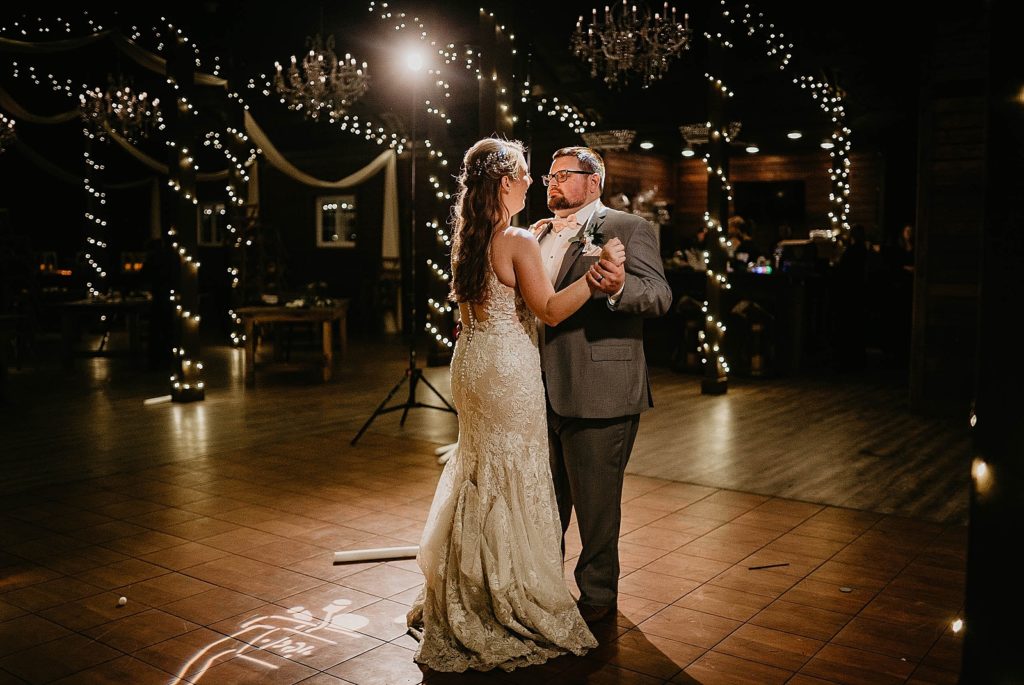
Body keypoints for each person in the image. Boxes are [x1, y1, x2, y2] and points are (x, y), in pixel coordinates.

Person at [408, 138, 624, 672]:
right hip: (508, 369)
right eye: (526, 173)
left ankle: (467, 584)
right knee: (514, 472)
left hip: (470, 363)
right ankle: (509, 590)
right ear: (506, 182)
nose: (534, 182)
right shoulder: (518, 239)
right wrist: (595, 278)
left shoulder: (471, 236)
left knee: (479, 467)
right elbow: (548, 309)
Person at [532, 147, 673, 624]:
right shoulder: (536, 233)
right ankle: (543, 589)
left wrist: (618, 289)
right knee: (542, 502)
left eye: (564, 174)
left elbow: (659, 296)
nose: (553, 182)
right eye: (550, 176)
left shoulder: (628, 227)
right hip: (535, 386)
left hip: (599, 388)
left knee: (596, 505)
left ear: (594, 182)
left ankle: (596, 598)